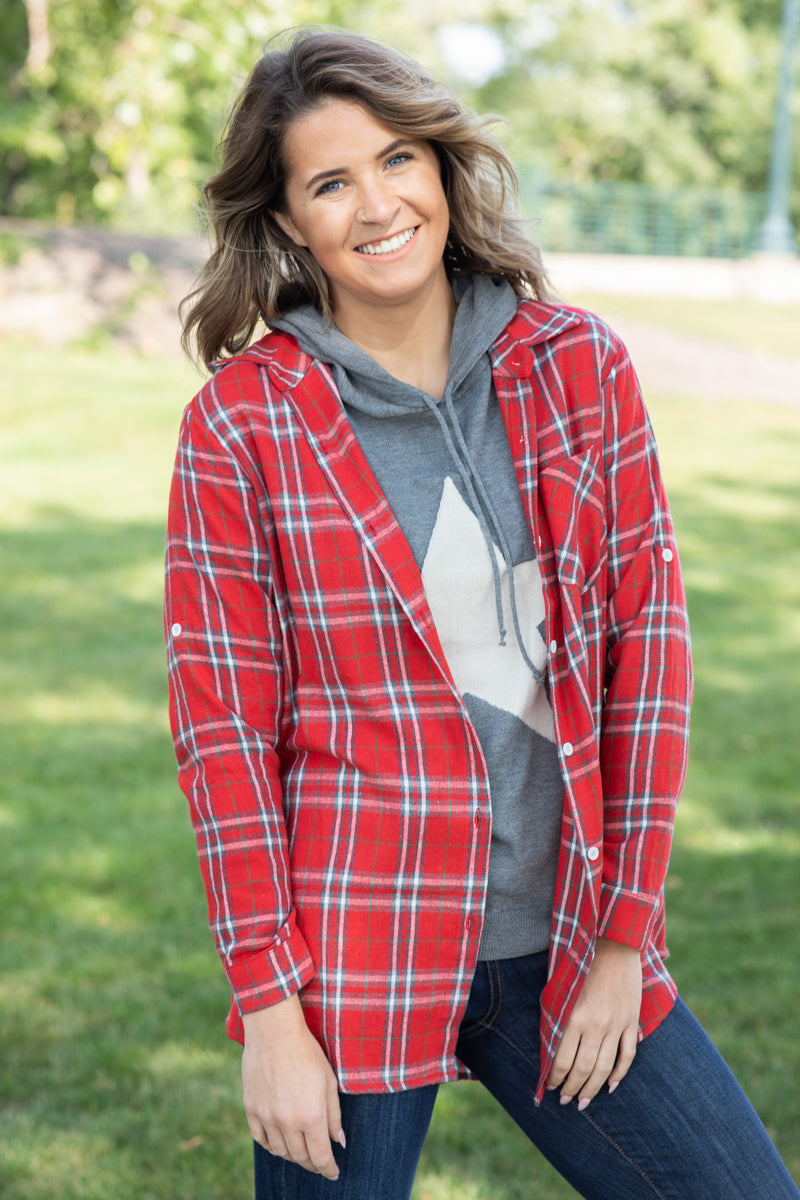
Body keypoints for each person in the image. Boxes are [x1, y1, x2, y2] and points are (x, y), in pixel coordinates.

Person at [164, 27, 799, 1200]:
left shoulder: (576, 366)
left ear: (443, 169)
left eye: (397, 158)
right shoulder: (245, 427)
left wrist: (623, 940)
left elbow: (645, 661)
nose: (375, 203)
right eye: (330, 181)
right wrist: (267, 1007)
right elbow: (222, 734)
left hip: (560, 937)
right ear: (290, 219)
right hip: (351, 947)